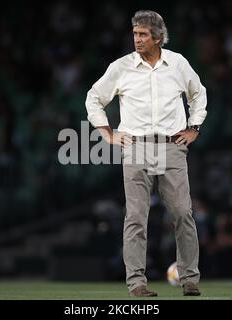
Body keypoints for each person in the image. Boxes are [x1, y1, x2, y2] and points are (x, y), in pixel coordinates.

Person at [85, 10, 207, 297]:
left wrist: (195, 127)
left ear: (158, 38)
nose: (136, 39)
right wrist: (108, 133)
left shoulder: (177, 64)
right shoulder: (121, 67)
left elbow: (198, 94)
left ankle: (189, 278)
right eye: (135, 34)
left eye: (142, 35)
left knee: (182, 213)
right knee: (136, 217)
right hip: (136, 147)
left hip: (171, 145)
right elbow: (94, 97)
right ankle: (137, 283)